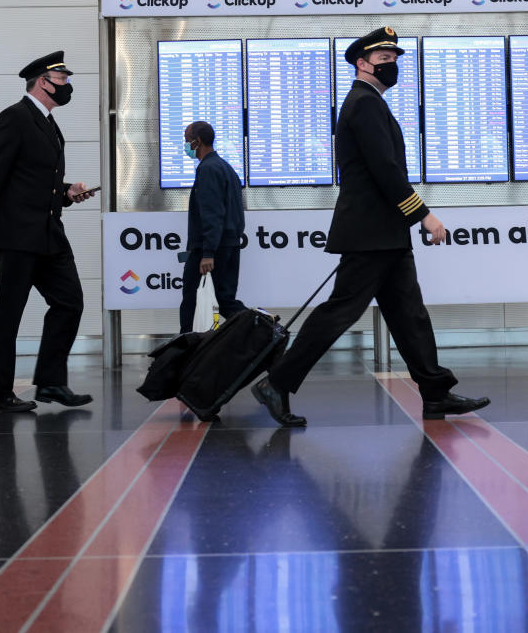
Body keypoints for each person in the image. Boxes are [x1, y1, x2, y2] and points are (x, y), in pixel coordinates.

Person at [253, 27, 490, 427]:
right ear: (361, 63)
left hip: (384, 233)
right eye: (382, 58)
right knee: (339, 313)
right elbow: (385, 169)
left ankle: (434, 393)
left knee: (409, 315)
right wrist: (423, 214)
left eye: (394, 58)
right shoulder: (363, 104)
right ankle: (276, 382)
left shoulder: (371, 103)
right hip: (370, 233)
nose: (391, 64)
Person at [0, 50, 97, 413]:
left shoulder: (48, 123)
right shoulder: (14, 118)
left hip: (48, 233)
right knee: (9, 312)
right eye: (63, 80)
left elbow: (34, 178)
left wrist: (66, 191)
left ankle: (50, 383)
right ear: (42, 82)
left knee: (69, 302)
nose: (68, 86)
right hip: (17, 236)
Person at [178, 121, 248, 332]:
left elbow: (212, 213)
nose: (186, 145)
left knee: (191, 299)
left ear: (197, 141)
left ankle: (186, 348)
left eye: (186, 140)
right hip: (229, 244)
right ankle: (263, 328)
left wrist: (208, 252)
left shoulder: (208, 169)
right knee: (225, 300)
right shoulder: (226, 168)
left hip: (210, 248)